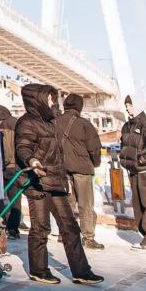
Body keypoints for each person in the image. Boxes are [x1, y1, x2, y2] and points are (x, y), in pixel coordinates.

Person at [14, 83, 103, 285]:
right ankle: (39, 269)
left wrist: (63, 178)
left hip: (55, 181)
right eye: (50, 98)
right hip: (37, 182)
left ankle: (81, 271)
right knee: (41, 227)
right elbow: (23, 147)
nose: (53, 102)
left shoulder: (51, 122)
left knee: (70, 227)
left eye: (54, 98)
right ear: (38, 100)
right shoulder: (26, 123)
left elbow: (58, 155)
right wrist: (32, 161)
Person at [56, 93, 104, 249]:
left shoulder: (55, 122)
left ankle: (65, 235)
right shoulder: (84, 125)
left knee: (67, 204)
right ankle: (88, 237)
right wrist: (95, 164)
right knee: (85, 204)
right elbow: (94, 149)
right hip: (82, 170)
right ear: (80, 107)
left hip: (63, 169)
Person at [119, 95, 146, 252]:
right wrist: (124, 160)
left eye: (130, 104)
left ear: (137, 106)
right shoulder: (127, 126)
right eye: (126, 105)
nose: (127, 107)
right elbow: (124, 146)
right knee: (138, 207)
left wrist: (140, 161)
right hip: (133, 172)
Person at [0, 103, 24, 240]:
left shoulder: (1, 127)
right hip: (16, 168)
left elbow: (6, 152)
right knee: (16, 199)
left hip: (5, 167)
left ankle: (0, 225)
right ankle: (13, 228)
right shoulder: (17, 123)